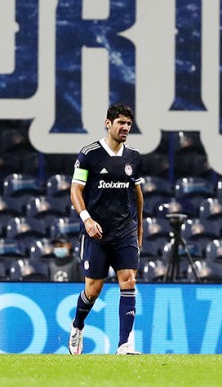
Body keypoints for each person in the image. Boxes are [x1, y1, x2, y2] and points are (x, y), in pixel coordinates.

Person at [68, 103, 144, 355]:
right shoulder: (89, 154)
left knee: (129, 280)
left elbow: (138, 195)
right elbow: (75, 190)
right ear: (108, 123)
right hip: (97, 233)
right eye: (121, 122)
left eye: (129, 124)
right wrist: (87, 220)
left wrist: (139, 229)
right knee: (93, 290)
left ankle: (124, 344)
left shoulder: (134, 157)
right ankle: (78, 324)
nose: (125, 128)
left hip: (125, 231)